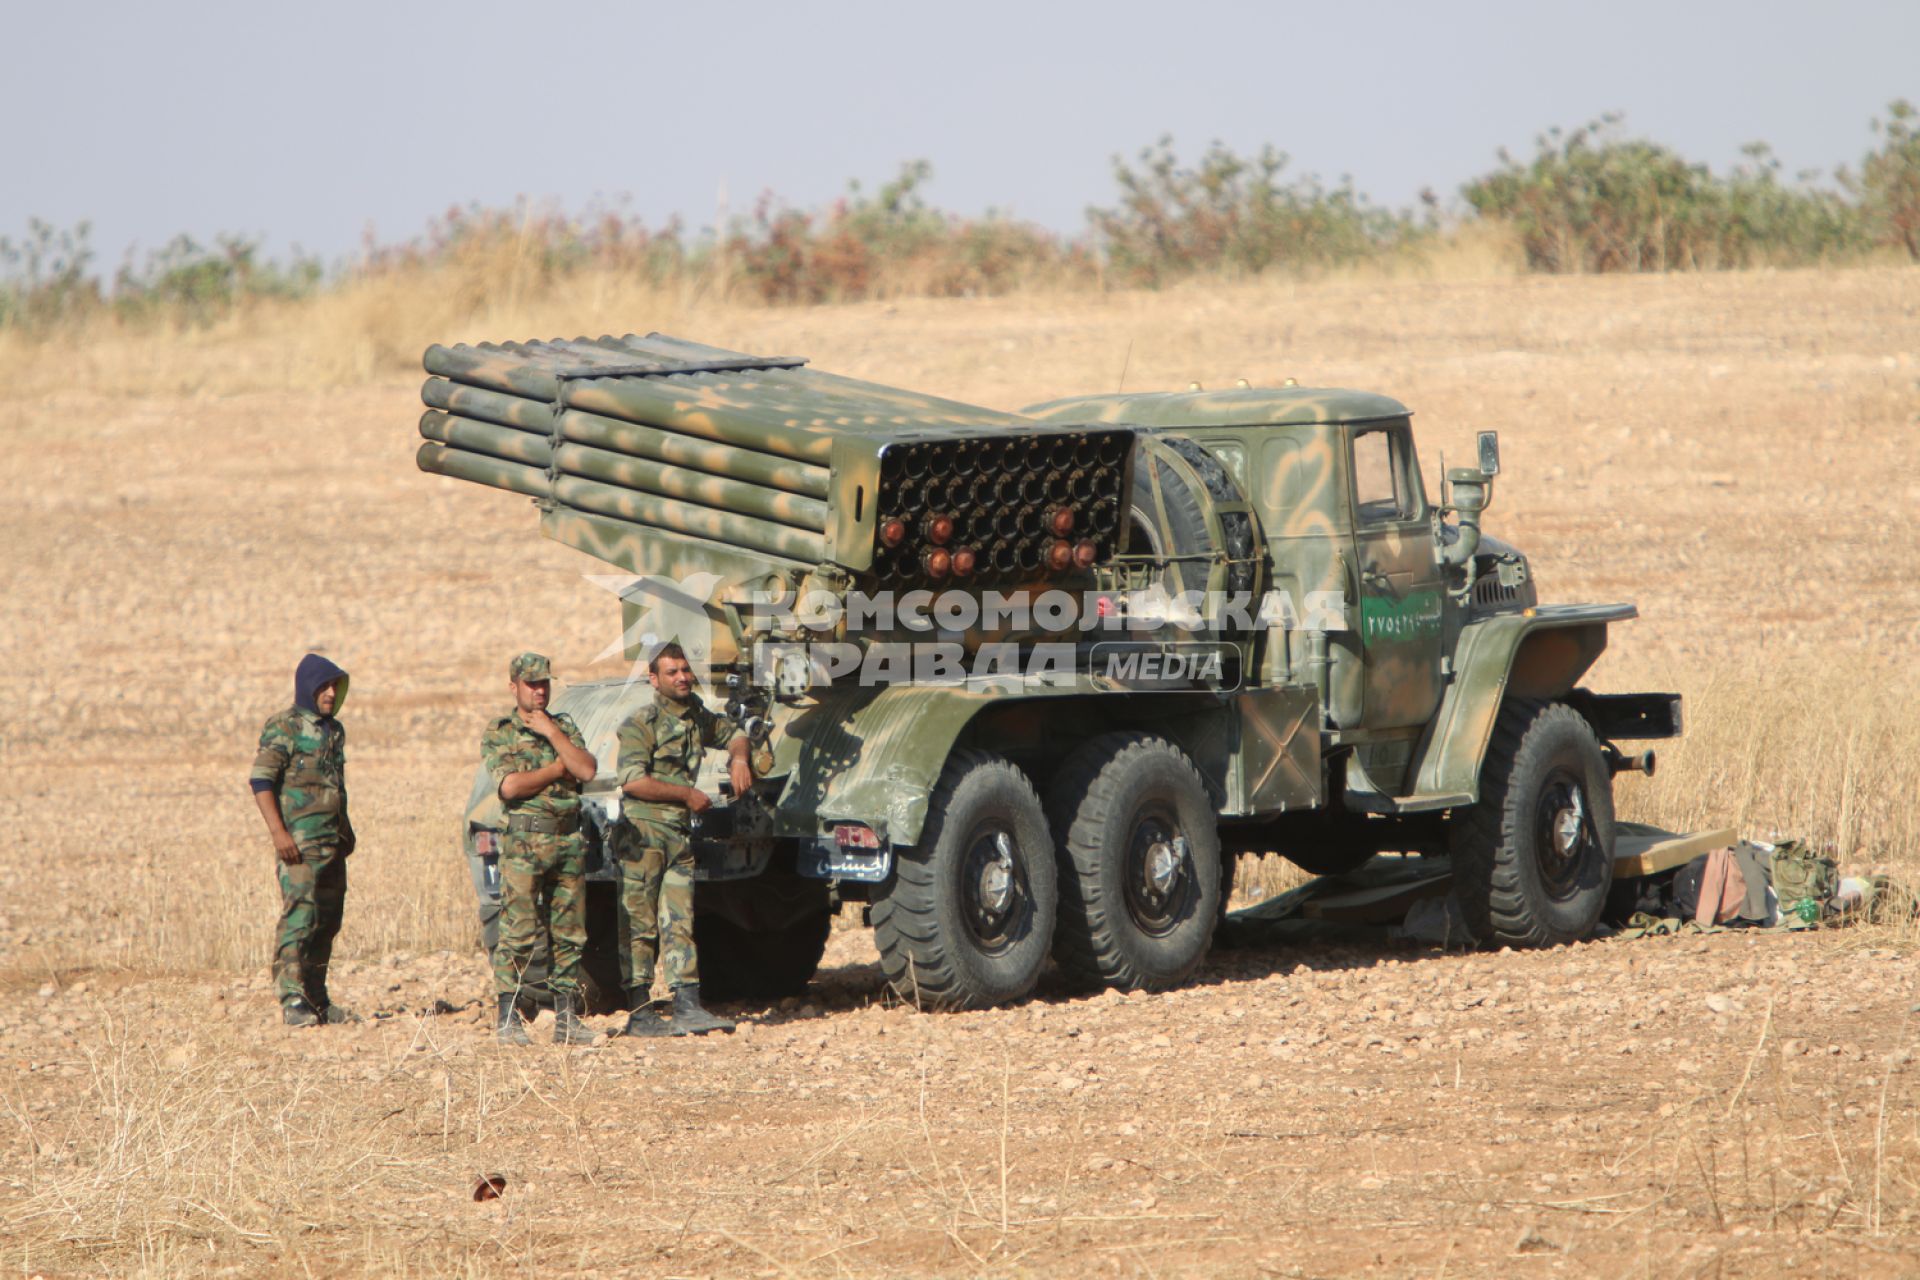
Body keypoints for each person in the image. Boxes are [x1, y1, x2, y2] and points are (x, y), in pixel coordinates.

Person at [613, 642, 752, 1037]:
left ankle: (688, 1004)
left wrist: (739, 757)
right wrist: (686, 794)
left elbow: (733, 733)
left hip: (677, 833)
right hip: (643, 834)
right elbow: (633, 780)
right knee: (639, 925)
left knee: (680, 920)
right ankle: (641, 1012)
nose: (682, 678)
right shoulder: (642, 722)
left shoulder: (694, 716)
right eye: (672, 672)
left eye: (686, 670)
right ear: (654, 679)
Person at [480, 652, 599, 1046]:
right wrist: (554, 770)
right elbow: (511, 787)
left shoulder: (562, 726)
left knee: (569, 933)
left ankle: (566, 1019)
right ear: (514, 686)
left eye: (544, 683)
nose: (539, 690)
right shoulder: (501, 731)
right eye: (531, 684)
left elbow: (585, 769)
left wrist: (553, 735)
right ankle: (507, 1016)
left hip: (566, 838)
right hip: (525, 841)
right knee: (518, 930)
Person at [250, 653, 358, 1027]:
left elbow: (335, 785)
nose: (330, 693)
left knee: (328, 920)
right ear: (307, 687)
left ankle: (317, 996)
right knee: (299, 917)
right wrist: (279, 834)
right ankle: (292, 998)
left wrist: (346, 830)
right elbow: (261, 781)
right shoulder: (285, 726)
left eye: (334, 687)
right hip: (298, 845)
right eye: (323, 686)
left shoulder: (335, 731)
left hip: (332, 843)